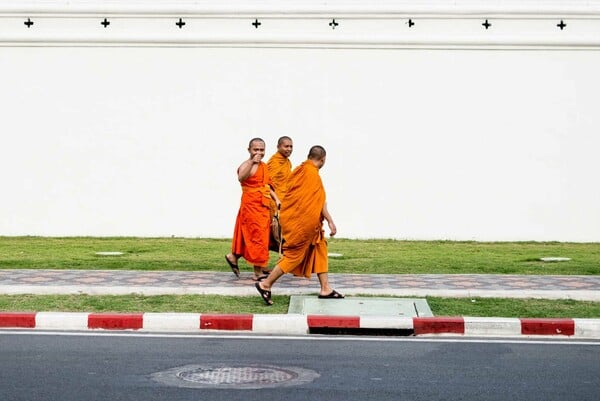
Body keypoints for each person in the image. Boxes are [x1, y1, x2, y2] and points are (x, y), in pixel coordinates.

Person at [255, 145, 344, 305]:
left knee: (319, 247)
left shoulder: (299, 169)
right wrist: (328, 220)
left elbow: (315, 200)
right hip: (302, 223)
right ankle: (265, 284)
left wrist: (329, 220)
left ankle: (326, 288)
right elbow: (317, 202)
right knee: (294, 256)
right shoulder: (312, 175)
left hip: (296, 219)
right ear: (323, 160)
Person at [225, 138, 281, 281]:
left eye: (262, 150)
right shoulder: (246, 165)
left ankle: (233, 256)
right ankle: (257, 273)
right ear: (249, 150)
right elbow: (241, 177)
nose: (259, 152)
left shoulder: (264, 166)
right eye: (256, 149)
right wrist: (252, 161)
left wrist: (276, 199)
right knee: (258, 236)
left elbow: (267, 185)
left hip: (262, 205)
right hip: (251, 206)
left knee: (251, 236)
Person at [266, 136, 293, 252]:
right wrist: (275, 201)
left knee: (282, 234)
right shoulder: (274, 162)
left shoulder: (287, 162)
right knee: (271, 233)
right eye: (286, 146)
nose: (289, 149)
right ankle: (260, 263)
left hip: (284, 202)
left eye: (291, 146)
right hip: (273, 202)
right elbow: (267, 183)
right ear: (278, 147)